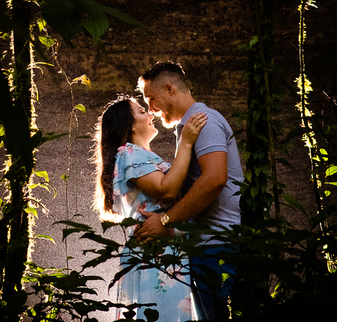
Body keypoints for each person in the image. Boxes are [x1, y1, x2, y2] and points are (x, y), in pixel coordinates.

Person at [132, 62, 243, 320]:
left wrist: (165, 220)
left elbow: (215, 180)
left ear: (170, 89)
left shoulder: (205, 121)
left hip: (216, 248)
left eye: (151, 99)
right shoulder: (189, 128)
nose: (150, 109)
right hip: (205, 248)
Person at [94, 95, 209, 321]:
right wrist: (186, 142)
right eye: (140, 111)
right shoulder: (129, 152)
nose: (149, 114)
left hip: (162, 250)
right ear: (129, 126)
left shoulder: (140, 156)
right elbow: (167, 190)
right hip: (156, 252)